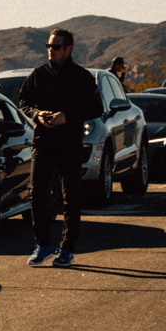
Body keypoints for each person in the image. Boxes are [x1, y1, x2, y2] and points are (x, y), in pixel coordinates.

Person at [19, 28, 102, 267]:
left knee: (71, 197)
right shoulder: (38, 74)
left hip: (70, 144)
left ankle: (67, 248)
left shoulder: (82, 76)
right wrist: (37, 114)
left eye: (55, 47)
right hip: (43, 142)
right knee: (37, 194)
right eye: (48, 46)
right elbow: (24, 101)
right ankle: (43, 245)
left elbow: (96, 108)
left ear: (69, 49)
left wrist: (68, 115)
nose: (50, 50)